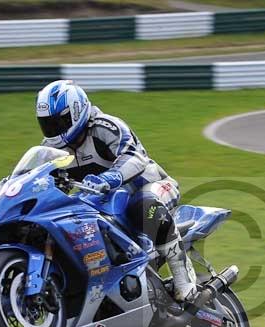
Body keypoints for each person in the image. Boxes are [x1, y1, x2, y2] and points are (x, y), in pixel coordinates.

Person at [35, 80, 197, 302]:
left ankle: (183, 278)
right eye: (49, 124)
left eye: (60, 122)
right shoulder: (51, 147)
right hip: (104, 204)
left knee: (144, 205)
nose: (55, 130)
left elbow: (136, 157)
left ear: (76, 111)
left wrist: (111, 177)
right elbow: (39, 177)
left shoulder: (105, 126)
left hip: (151, 185)